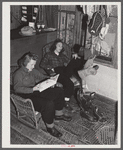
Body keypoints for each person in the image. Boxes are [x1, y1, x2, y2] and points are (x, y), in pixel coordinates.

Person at [13, 52, 72, 138]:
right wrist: (32, 89)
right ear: (25, 63)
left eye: (34, 64)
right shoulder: (18, 74)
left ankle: (58, 114)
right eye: (32, 64)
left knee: (59, 91)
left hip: (35, 90)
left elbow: (41, 76)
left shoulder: (32, 70)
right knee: (48, 104)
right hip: (26, 95)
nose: (33, 67)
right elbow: (17, 89)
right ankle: (50, 127)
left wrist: (49, 78)